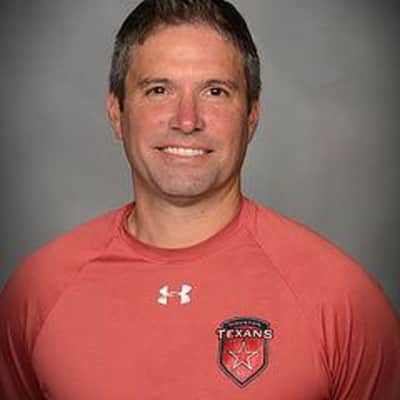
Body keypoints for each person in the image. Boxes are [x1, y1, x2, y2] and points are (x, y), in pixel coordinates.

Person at [1, 0, 399, 398]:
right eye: (159, 90)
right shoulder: (38, 292)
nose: (187, 120)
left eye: (215, 91)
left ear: (252, 116)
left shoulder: (341, 300)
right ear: (117, 113)